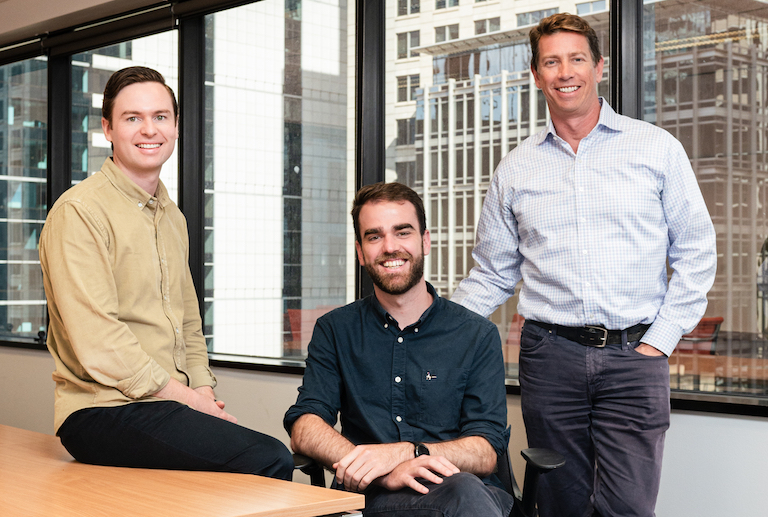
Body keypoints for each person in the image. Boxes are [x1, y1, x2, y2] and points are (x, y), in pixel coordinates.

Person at [452, 13, 717, 517]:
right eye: (551, 62)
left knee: (628, 507)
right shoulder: (515, 168)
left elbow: (696, 251)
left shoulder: (655, 148)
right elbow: (492, 273)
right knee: (557, 504)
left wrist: (657, 341)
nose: (564, 71)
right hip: (550, 359)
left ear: (600, 66)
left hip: (634, 356)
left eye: (576, 58)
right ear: (536, 74)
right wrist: (435, 326)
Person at [39, 66, 293, 479]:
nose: (149, 130)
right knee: (269, 457)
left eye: (160, 117)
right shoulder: (79, 212)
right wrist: (191, 403)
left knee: (248, 455)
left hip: (167, 405)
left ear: (175, 127)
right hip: (101, 410)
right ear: (107, 128)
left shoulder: (172, 217)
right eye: (132, 118)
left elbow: (188, 322)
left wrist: (202, 390)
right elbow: (102, 343)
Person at [284, 182, 514, 517]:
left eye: (402, 232)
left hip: (462, 496)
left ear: (425, 241)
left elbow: (486, 450)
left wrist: (406, 453)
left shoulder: (476, 335)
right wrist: (380, 471)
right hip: (373, 499)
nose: (390, 247)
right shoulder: (335, 329)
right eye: (374, 236)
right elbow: (305, 424)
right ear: (361, 252)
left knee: (463, 490)